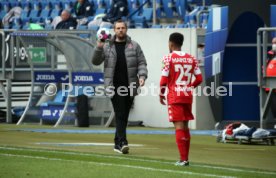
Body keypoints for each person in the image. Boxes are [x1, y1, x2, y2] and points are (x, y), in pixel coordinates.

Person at [92, 20, 148, 154]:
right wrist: (99, 46)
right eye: (118, 28)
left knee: (123, 114)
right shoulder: (107, 46)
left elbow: (142, 63)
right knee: (121, 113)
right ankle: (123, 142)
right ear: (114, 30)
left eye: (123, 28)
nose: (120, 30)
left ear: (126, 29)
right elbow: (95, 61)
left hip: (130, 86)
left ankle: (117, 143)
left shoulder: (134, 46)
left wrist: (142, 76)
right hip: (113, 86)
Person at [159, 32, 202, 166]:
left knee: (178, 126)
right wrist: (189, 87)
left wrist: (161, 94)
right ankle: (185, 158)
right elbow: (199, 79)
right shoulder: (191, 58)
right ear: (181, 43)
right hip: (187, 95)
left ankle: (184, 159)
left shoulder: (168, 58)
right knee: (185, 126)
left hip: (174, 95)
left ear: (170, 43)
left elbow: (163, 80)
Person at [266, 37, 276, 118]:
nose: (274, 45)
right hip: (270, 87)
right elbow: (264, 68)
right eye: (273, 43)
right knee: (274, 108)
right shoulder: (269, 55)